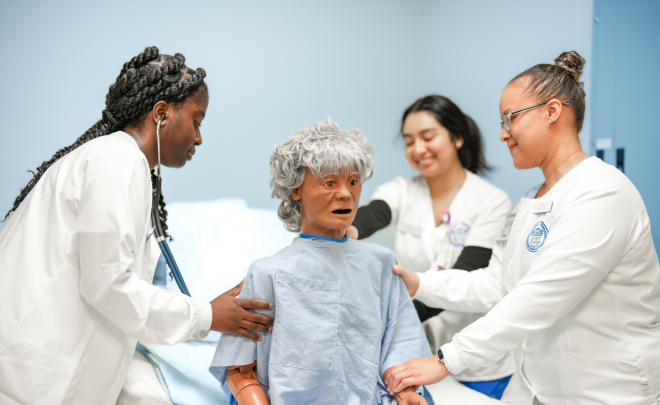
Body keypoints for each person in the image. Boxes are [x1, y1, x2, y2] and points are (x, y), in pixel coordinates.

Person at [0, 47, 274, 405]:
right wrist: (208, 315)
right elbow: (107, 284)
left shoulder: (118, 162)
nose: (199, 137)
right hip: (31, 383)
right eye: (197, 120)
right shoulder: (117, 160)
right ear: (162, 113)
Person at [385, 51, 660, 405]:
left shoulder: (601, 192)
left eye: (509, 119)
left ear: (552, 111)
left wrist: (446, 359)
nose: (503, 134)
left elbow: (539, 298)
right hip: (539, 386)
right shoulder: (532, 200)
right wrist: (419, 283)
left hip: (604, 391)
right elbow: (498, 284)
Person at [209, 121, 432, 405]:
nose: (345, 193)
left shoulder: (380, 264)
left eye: (353, 181)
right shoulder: (268, 273)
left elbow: (401, 343)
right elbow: (240, 367)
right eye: (329, 182)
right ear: (296, 189)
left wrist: (405, 391)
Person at [347, 95, 515, 398]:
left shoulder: (491, 201)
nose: (418, 149)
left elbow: (468, 272)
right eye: (409, 141)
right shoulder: (402, 190)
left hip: (478, 361)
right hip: (418, 354)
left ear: (457, 137)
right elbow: (375, 213)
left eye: (427, 137)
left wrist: (389, 321)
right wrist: (344, 228)